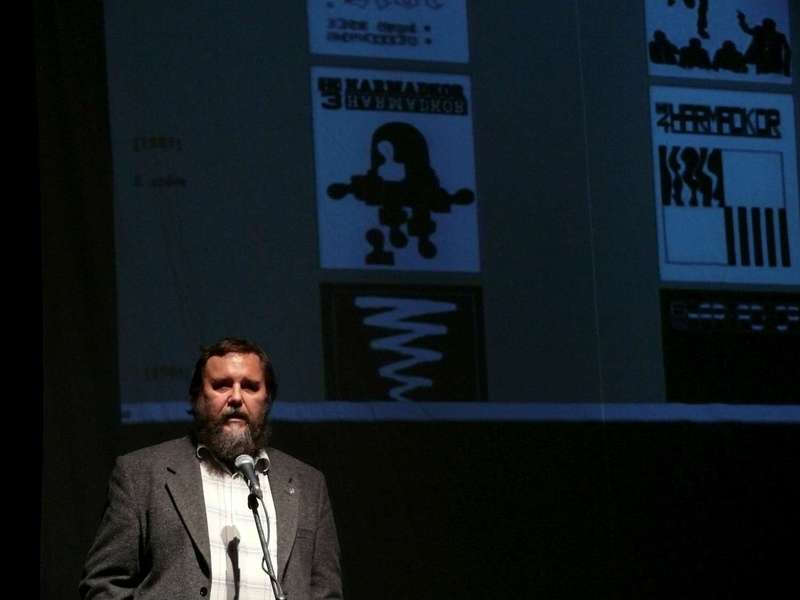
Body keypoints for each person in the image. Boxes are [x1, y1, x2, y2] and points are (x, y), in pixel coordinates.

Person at [79, 337, 343, 599]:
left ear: (268, 399)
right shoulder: (141, 473)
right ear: (197, 397)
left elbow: (326, 592)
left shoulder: (308, 484)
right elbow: (104, 584)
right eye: (221, 385)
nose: (236, 397)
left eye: (250, 387)